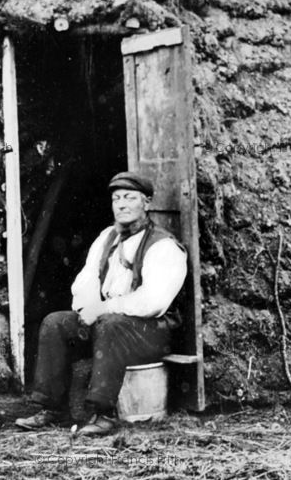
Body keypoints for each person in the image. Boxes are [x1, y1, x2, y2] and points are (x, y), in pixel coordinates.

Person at [15, 171, 187, 436]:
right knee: (55, 323)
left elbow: (153, 302)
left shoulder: (163, 246)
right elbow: (85, 280)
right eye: (116, 198)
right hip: (107, 322)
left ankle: (103, 414)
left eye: (130, 197)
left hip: (151, 332)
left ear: (147, 203)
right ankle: (51, 407)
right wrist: (87, 309)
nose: (122, 204)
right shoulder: (107, 237)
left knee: (111, 323)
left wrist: (103, 310)